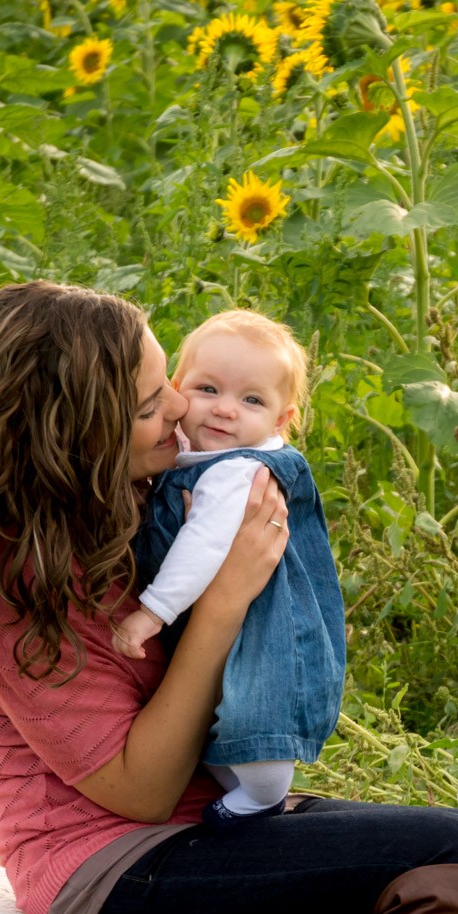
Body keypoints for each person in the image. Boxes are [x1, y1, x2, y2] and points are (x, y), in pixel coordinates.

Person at [0, 281, 458, 914]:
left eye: (171, 387)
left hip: (211, 827)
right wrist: (223, 603)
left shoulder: (134, 505)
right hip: (110, 867)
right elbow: (142, 792)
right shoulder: (13, 586)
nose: (182, 409)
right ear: (78, 434)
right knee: (452, 851)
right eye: (152, 405)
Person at [113, 309, 344, 828]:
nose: (224, 411)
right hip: (226, 619)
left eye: (251, 400)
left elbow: (203, 544)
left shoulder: (235, 472)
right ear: (178, 387)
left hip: (262, 622)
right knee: (226, 715)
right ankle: (246, 793)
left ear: (281, 421)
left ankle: (262, 793)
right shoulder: (201, 452)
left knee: (256, 704)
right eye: (208, 388)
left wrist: (151, 613)